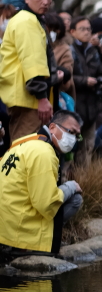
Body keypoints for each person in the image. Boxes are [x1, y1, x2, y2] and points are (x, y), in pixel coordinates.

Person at [0, 109, 83, 255]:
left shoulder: (28, 140)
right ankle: (29, 245)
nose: (73, 139)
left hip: (6, 220)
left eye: (77, 135)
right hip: (17, 229)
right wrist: (70, 186)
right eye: (70, 132)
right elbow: (46, 204)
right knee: (75, 199)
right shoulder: (44, 152)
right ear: (52, 127)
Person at [0, 0, 60, 142]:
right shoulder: (27, 21)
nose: (46, 1)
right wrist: (41, 97)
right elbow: (32, 62)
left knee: (29, 150)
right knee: (26, 151)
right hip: (29, 101)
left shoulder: (30, 19)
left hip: (28, 99)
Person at [70, 16, 102, 163]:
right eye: (82, 29)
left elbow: (101, 72)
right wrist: (84, 81)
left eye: (88, 29)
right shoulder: (69, 50)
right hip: (74, 107)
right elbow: (65, 76)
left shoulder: (93, 50)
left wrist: (101, 80)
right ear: (72, 32)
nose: (87, 32)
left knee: (88, 148)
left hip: (92, 108)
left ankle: (83, 183)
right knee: (71, 149)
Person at [43, 12, 76, 108]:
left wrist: (61, 74)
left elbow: (68, 76)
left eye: (55, 30)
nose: (52, 32)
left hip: (55, 96)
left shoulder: (63, 48)